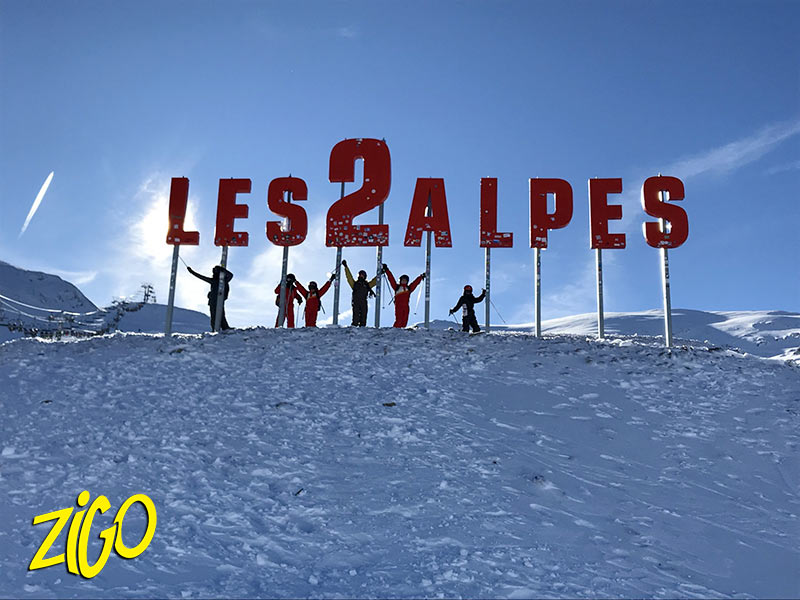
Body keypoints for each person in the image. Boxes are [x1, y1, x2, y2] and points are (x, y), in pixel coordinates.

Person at [187, 264, 234, 331]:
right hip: (213, 300)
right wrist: (192, 272)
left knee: (220, 313)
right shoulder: (215, 281)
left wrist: (222, 269)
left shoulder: (223, 281)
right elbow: (201, 277)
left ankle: (224, 327)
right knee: (214, 314)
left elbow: (231, 275)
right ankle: (215, 328)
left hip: (219, 299)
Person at [382, 263, 425, 328]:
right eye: (403, 280)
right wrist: (387, 270)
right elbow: (391, 279)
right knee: (399, 320)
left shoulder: (408, 288)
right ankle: (395, 330)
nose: (404, 281)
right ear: (400, 281)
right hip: (399, 306)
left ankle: (402, 332)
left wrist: (421, 277)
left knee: (405, 320)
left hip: (406, 306)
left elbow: (415, 283)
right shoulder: (397, 287)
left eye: (405, 280)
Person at [342, 259, 378, 327]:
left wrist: (380, 274)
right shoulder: (355, 284)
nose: (361, 276)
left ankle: (362, 329)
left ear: (365, 276)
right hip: (356, 301)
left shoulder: (367, 285)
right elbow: (349, 278)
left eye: (362, 275)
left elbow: (374, 281)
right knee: (355, 316)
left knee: (363, 316)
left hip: (363, 301)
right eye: (360, 274)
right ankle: (354, 327)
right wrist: (346, 267)